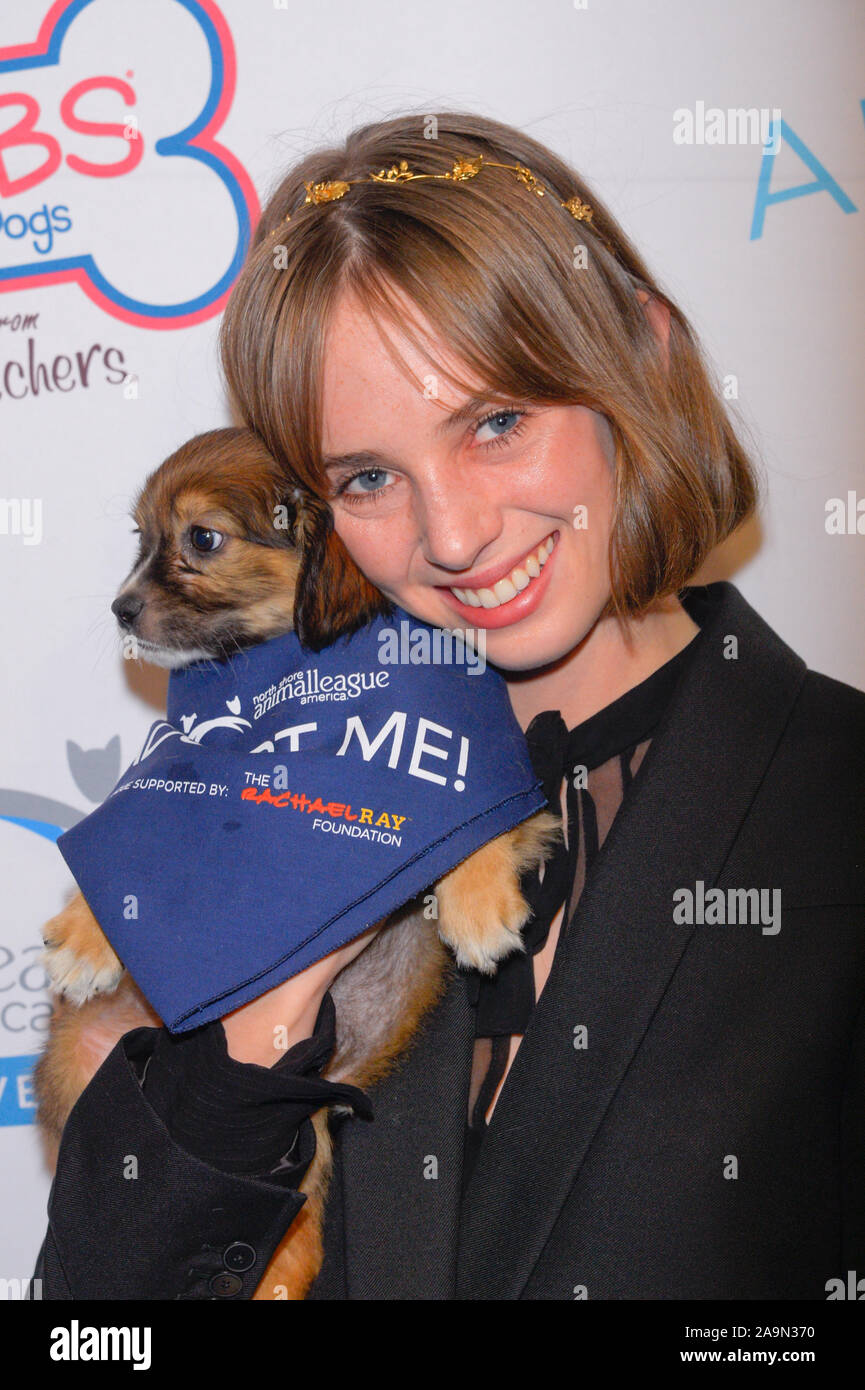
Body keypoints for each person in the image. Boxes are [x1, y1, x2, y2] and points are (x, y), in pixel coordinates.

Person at [33, 112, 864, 1300]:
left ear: (643, 352)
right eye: (369, 476)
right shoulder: (231, 796)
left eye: (497, 423)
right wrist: (259, 1030)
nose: (456, 535)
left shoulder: (830, 800)